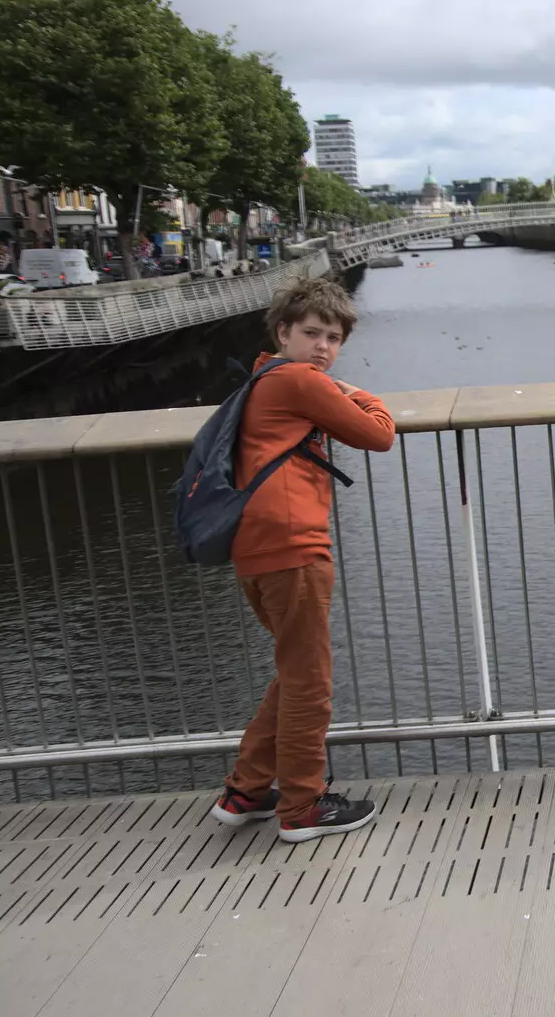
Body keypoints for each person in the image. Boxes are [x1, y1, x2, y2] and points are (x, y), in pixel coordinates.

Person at [208, 277, 396, 842]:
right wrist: (360, 394)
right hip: (292, 548)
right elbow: (379, 433)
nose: (322, 346)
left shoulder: (265, 377)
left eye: (333, 338)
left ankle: (246, 791)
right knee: (311, 683)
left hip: (257, 546)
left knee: (295, 671)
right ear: (283, 332)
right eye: (311, 332)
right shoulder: (297, 379)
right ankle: (303, 807)